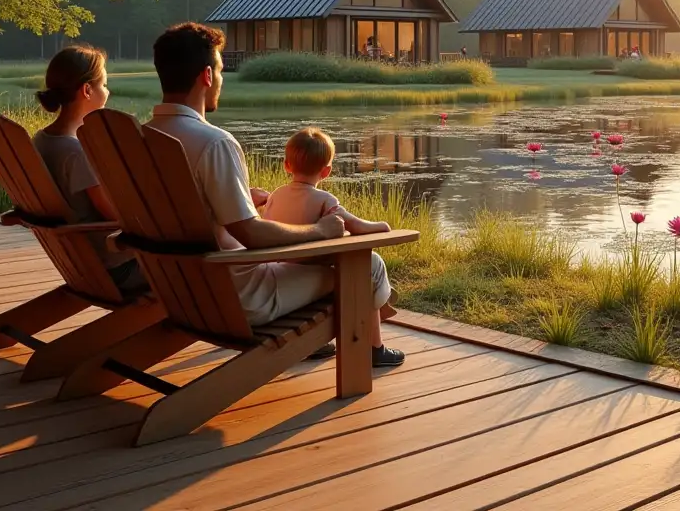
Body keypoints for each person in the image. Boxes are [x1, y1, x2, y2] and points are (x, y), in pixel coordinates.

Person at [146, 22, 404, 367]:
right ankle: (367, 356)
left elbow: (179, 211)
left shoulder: (144, 138)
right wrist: (319, 231)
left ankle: (311, 343)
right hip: (239, 296)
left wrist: (236, 202)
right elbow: (251, 234)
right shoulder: (213, 142)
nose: (221, 80)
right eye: (221, 71)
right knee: (366, 265)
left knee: (328, 265)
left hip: (179, 291)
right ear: (207, 76)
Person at [32, 45, 146, 293]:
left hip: (80, 262)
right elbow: (112, 213)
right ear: (86, 90)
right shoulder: (77, 152)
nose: (107, 91)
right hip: (117, 266)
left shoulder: (42, 139)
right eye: (104, 84)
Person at [264, 128, 391, 237]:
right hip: (314, 264)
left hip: (278, 262)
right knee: (375, 261)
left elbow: (267, 228)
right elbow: (356, 226)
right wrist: (383, 225)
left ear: (287, 166)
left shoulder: (275, 196)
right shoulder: (325, 200)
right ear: (326, 172)